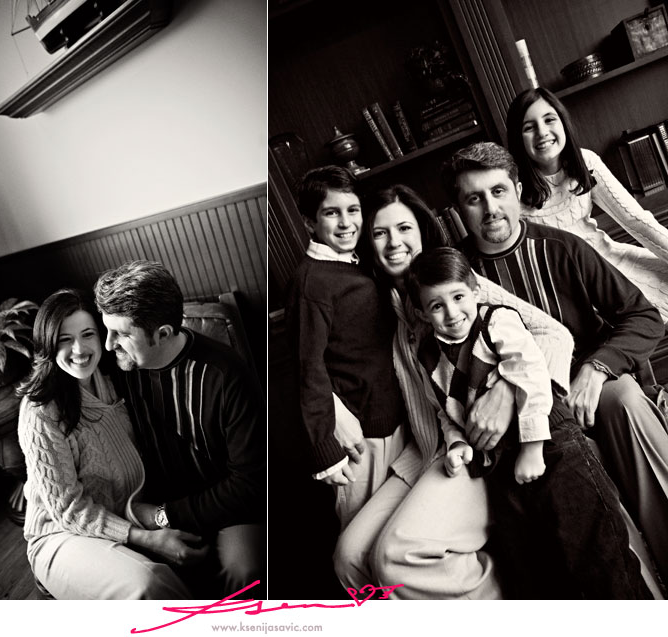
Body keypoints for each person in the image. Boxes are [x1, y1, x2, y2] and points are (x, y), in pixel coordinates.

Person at [334, 183, 576, 599]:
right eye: (379, 233)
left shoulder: (454, 284)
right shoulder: (379, 301)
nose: (394, 243)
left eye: (404, 228)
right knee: (349, 557)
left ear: (422, 231)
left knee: (395, 556)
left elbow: (555, 336)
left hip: (476, 446)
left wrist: (505, 392)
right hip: (428, 446)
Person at [442, 140, 668, 583]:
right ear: (458, 210)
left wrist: (597, 368)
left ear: (517, 190)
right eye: (474, 198)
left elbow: (643, 315)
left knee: (624, 399)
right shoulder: (456, 278)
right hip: (521, 415)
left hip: (591, 387)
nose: (490, 208)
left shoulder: (562, 248)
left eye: (498, 191)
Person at [404, 247, 650, 598]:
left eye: (458, 297)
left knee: (597, 556)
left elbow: (532, 374)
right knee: (534, 571)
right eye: (437, 306)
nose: (452, 312)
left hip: (550, 443)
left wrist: (533, 448)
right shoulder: (430, 355)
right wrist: (456, 442)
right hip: (499, 464)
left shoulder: (496, 321)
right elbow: (446, 409)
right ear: (422, 313)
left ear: (475, 290)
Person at [93, 260, 265, 599]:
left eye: (122, 334)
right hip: (146, 502)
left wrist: (163, 517)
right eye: (106, 329)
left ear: (163, 334)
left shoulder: (226, 375)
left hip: (226, 507)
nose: (109, 345)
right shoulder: (116, 370)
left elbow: (249, 485)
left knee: (244, 570)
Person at [17, 288, 193, 599]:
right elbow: (69, 511)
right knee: (146, 585)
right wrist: (147, 539)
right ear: (48, 344)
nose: (79, 349)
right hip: (60, 532)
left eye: (87, 335)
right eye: (64, 339)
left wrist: (153, 517)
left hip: (123, 512)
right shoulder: (40, 411)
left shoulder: (114, 379)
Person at [284, 165, 407, 531]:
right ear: (309, 222)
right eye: (331, 213)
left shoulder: (357, 263)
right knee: (361, 537)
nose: (345, 222)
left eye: (352, 210)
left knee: (395, 528)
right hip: (359, 440)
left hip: (393, 420)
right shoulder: (312, 282)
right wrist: (326, 449)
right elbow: (307, 366)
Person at [506, 87, 668, 321]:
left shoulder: (585, 161)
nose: (542, 132)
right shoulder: (512, 190)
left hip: (613, 261)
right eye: (529, 127)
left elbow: (636, 221)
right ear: (517, 138)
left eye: (549, 119)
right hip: (574, 293)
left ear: (563, 123)